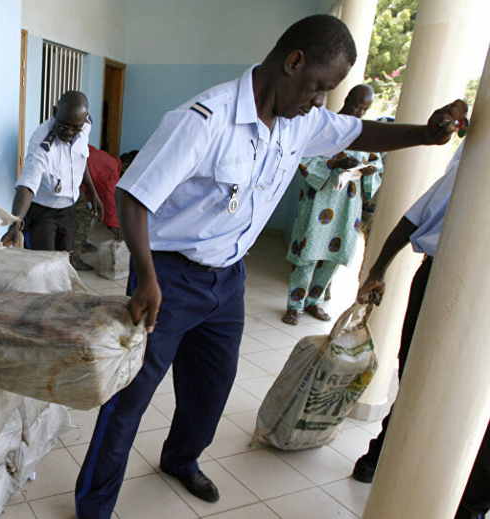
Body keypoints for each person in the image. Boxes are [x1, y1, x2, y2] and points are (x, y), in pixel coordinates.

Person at [73, 14, 467, 518]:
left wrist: (426, 136)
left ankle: (180, 459)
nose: (320, 100)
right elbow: (133, 197)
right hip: (169, 276)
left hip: (229, 278)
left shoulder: (301, 122)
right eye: (318, 86)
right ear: (293, 61)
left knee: (211, 387)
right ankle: (94, 506)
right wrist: (146, 277)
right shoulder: (206, 118)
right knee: (130, 395)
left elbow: (360, 131)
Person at [352, 141, 487, 519]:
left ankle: (470, 504)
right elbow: (416, 215)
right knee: (419, 380)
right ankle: (380, 455)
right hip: (443, 284)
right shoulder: (477, 171)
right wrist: (376, 272)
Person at [282, 84, 383, 325]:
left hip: (348, 208)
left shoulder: (363, 133)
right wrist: (336, 164)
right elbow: (304, 159)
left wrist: (368, 170)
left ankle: (314, 302)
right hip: (319, 204)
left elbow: (375, 166)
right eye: (357, 105)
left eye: (365, 109)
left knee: (332, 258)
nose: (359, 112)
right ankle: (294, 306)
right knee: (307, 256)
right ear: (347, 99)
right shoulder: (325, 127)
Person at [1, 92, 103, 254]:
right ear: (55, 112)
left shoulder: (84, 126)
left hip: (68, 208)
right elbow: (27, 186)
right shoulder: (42, 145)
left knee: (64, 260)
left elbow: (79, 160)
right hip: (43, 212)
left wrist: (93, 193)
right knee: (42, 263)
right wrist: (15, 223)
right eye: (63, 126)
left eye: (75, 128)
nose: (69, 132)